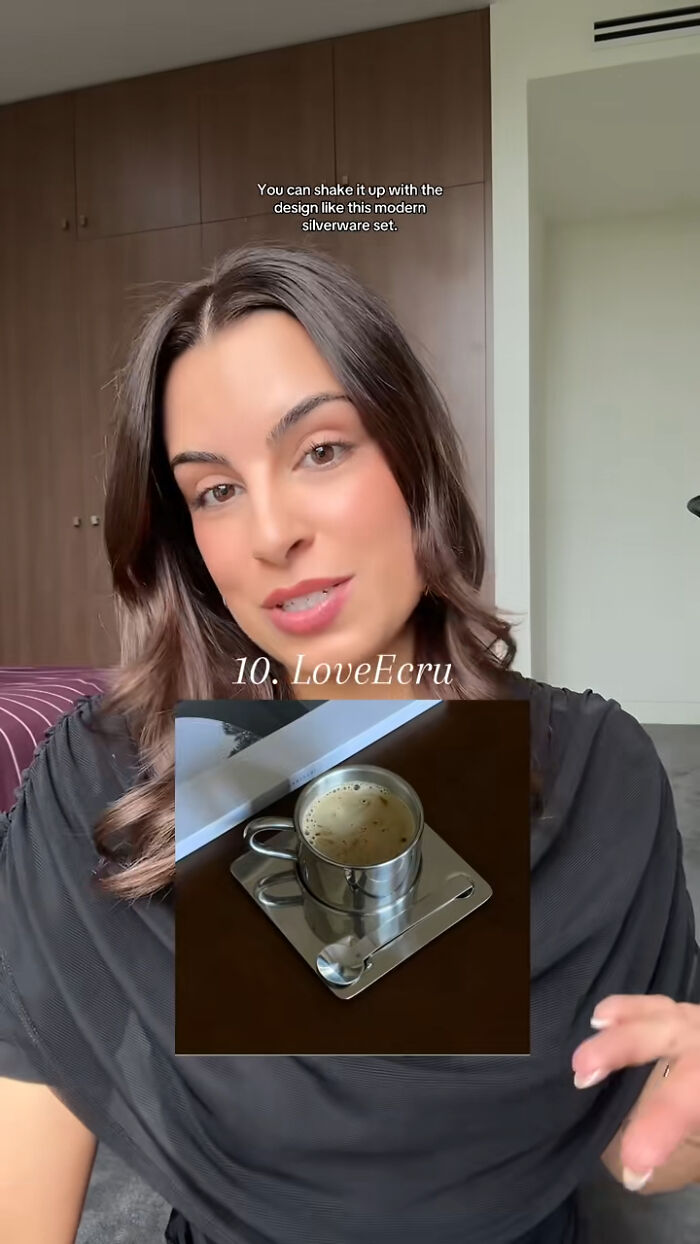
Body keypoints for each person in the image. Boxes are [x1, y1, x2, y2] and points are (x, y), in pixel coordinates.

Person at [1, 244, 699, 1244]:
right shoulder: (118, 776)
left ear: (410, 451)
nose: (271, 531)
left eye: (320, 450)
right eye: (213, 490)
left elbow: (643, 1136)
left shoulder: (591, 768)